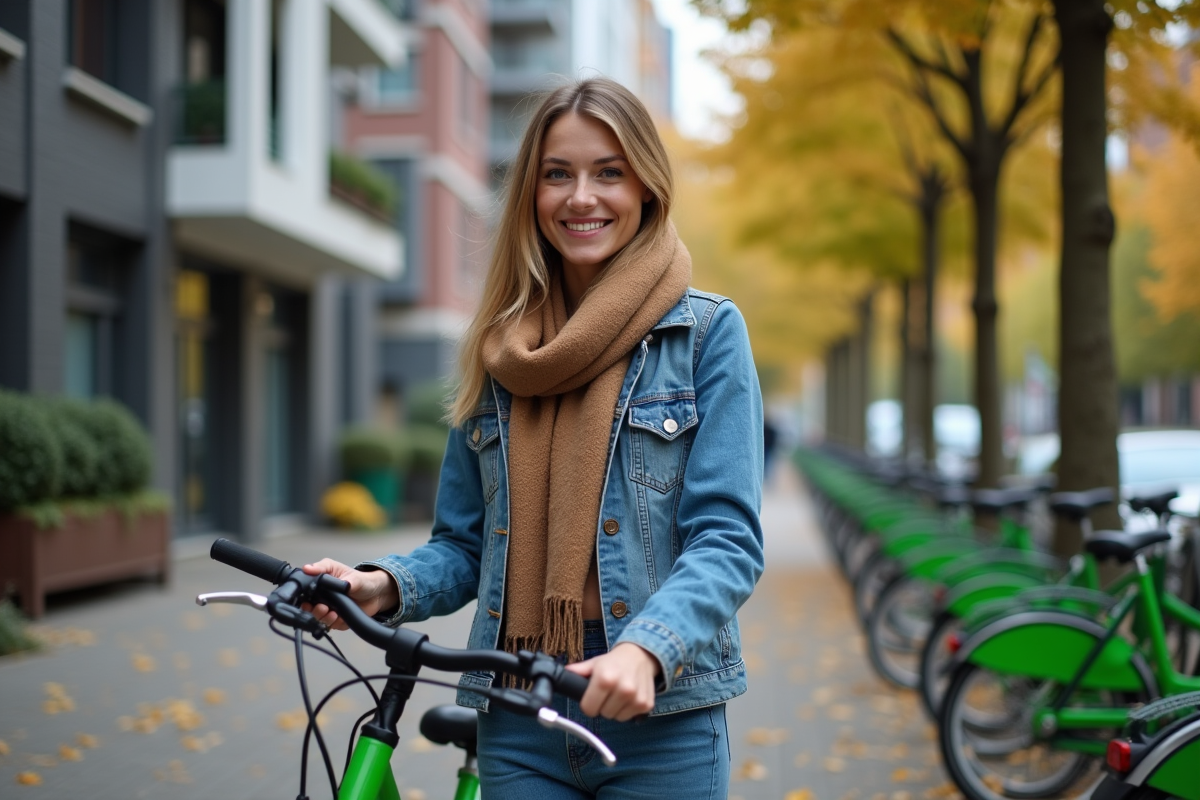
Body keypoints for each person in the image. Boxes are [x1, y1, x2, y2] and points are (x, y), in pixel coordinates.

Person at [303, 76, 764, 799]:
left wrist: (647, 649)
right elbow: (464, 544)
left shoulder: (705, 334)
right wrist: (380, 584)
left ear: (646, 186)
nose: (582, 196)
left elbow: (727, 538)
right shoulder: (500, 350)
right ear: (532, 194)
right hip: (518, 714)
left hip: (661, 719)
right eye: (559, 174)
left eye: (608, 172)